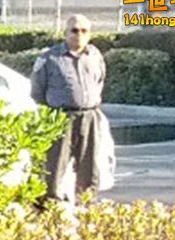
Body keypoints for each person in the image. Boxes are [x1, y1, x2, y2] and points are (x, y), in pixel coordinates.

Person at [30, 14, 115, 204]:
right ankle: (49, 204)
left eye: (84, 31)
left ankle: (86, 203)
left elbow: (100, 81)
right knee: (55, 164)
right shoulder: (50, 58)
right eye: (74, 30)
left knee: (89, 165)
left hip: (90, 116)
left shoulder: (95, 56)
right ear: (65, 33)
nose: (79, 35)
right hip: (61, 117)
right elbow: (37, 91)